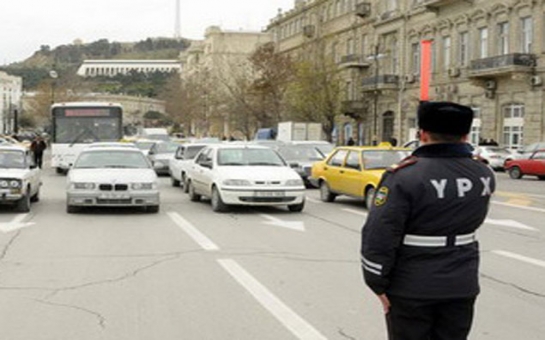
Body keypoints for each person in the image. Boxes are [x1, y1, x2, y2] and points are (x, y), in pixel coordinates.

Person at [361, 101, 496, 340]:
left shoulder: (404, 175)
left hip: (411, 286)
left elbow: (380, 233)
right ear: (465, 135)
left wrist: (376, 282)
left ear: (422, 134)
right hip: (461, 283)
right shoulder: (483, 173)